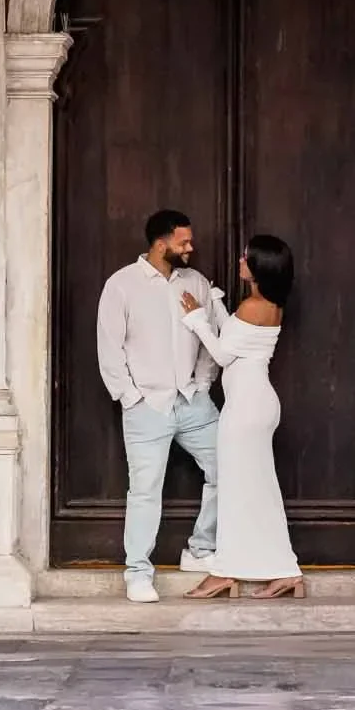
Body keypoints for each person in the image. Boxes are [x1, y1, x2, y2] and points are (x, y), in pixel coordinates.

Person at [95, 208, 224, 603]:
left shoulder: (196, 282)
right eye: (183, 241)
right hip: (146, 405)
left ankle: (201, 549)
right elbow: (109, 348)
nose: (191, 247)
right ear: (161, 242)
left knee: (229, 467)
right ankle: (137, 572)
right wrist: (131, 398)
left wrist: (202, 385)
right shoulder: (122, 285)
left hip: (192, 403)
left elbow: (210, 340)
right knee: (145, 491)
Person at [179, 234, 304, 601]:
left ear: (259, 266)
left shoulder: (254, 305)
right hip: (255, 403)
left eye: (246, 257)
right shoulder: (265, 304)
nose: (240, 260)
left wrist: (196, 318)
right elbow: (236, 341)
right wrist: (217, 309)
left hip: (247, 408)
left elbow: (220, 353)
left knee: (237, 492)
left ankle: (224, 573)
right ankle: (284, 571)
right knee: (257, 492)